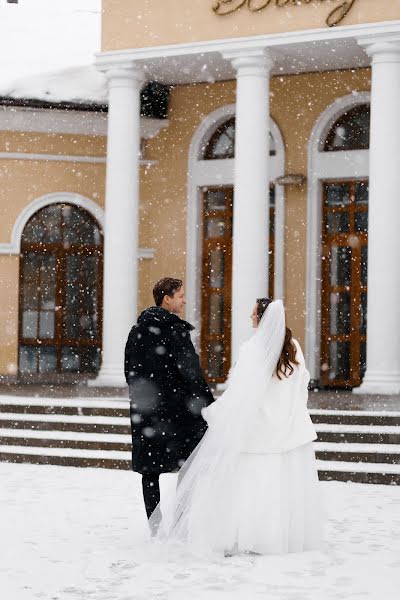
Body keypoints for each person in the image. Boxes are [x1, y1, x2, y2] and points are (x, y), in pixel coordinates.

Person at [151, 298, 323, 555]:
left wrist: (217, 412)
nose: (250, 318)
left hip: (255, 430)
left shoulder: (252, 348)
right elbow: (301, 385)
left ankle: (250, 535)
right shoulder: (293, 348)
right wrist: (289, 411)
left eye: (254, 314)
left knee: (251, 485)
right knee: (279, 485)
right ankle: (277, 537)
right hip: (286, 428)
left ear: (262, 319)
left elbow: (240, 391)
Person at [124, 277, 214, 532]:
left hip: (147, 412)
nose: (184, 300)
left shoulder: (137, 331)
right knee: (188, 465)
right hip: (179, 413)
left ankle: (156, 528)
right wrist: (207, 404)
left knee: (150, 473)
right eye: (181, 295)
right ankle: (181, 527)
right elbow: (191, 372)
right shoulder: (176, 331)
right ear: (167, 298)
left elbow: (129, 371)